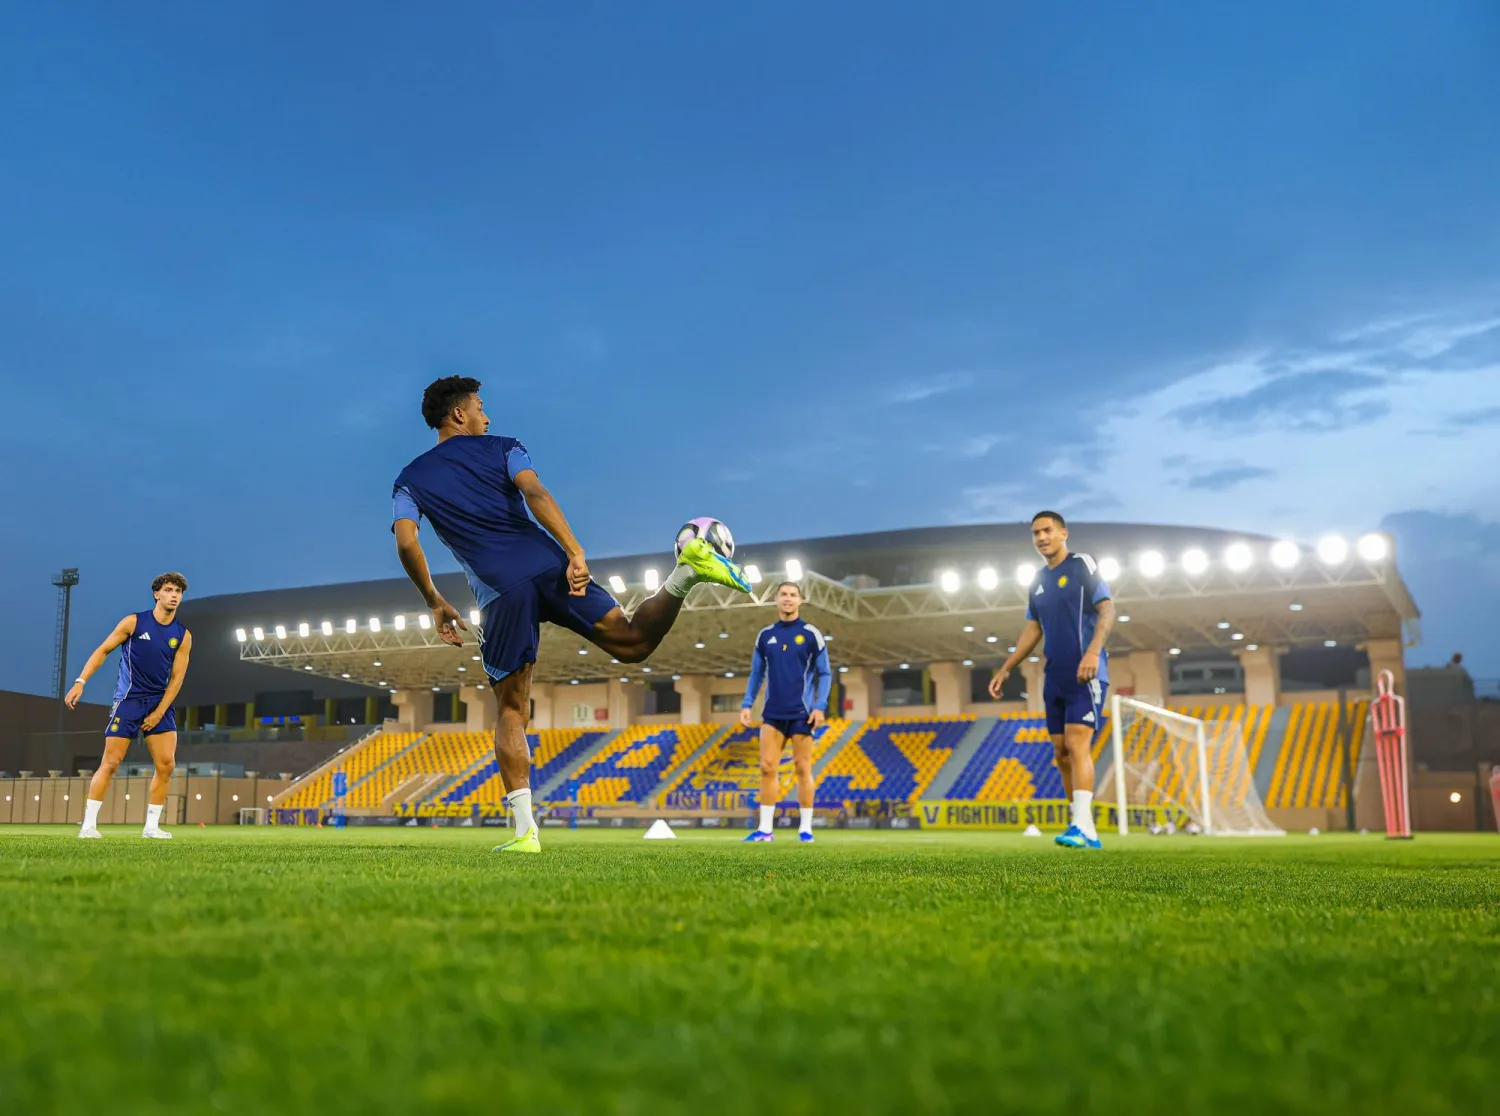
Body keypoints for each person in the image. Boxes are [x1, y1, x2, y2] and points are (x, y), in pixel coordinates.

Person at [392, 376, 752, 854]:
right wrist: (575, 550)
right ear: (459, 414)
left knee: (512, 709)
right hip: (550, 565)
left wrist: (434, 600)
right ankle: (686, 574)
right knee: (632, 643)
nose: (487, 415)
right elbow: (536, 494)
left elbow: (406, 540)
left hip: (500, 592)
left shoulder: (409, 480)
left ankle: (525, 835)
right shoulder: (505, 447)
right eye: (480, 406)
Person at [989, 512, 1116, 848]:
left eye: (1047, 531)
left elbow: (1107, 609)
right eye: (1035, 533)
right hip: (1055, 677)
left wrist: (1092, 653)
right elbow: (1034, 628)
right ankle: (1078, 822)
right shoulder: (1037, 581)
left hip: (1085, 672)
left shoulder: (1081, 564)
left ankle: (1085, 826)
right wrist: (1006, 667)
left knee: (1077, 745)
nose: (1041, 537)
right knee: (1060, 753)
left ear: (1063, 533)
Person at [67, 573, 193, 839]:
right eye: (169, 590)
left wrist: (159, 712)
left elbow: (177, 678)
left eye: (178, 592)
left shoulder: (182, 635)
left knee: (167, 765)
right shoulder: (134, 622)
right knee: (111, 762)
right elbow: (102, 651)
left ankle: (151, 827)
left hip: (160, 704)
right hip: (128, 701)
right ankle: (88, 826)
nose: (174, 595)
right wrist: (80, 681)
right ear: (156, 594)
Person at [738, 582, 832, 843]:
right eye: (783, 595)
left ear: (800, 600)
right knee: (767, 767)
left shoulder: (811, 634)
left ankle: (805, 830)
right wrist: (747, 704)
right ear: (776, 600)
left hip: (802, 712)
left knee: (802, 768)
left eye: (793, 595)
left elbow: (825, 673)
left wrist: (820, 705)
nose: (788, 599)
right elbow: (756, 673)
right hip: (773, 713)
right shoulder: (765, 636)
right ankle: (765, 830)